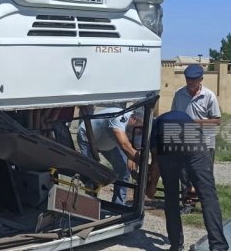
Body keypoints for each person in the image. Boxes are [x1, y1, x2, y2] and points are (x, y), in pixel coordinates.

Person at [147, 110, 228, 251]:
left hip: (167, 137)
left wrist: (152, 186)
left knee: (171, 199)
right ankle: (218, 246)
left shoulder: (154, 125)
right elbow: (187, 158)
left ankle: (176, 246)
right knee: (208, 197)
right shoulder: (182, 117)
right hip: (192, 136)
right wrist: (192, 184)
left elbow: (156, 162)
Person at [171, 64, 221, 212]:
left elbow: (217, 120)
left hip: (205, 141)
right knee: (184, 172)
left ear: (201, 79)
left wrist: (195, 122)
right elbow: (173, 115)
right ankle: (188, 204)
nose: (190, 82)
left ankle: (207, 204)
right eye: (188, 79)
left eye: (194, 79)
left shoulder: (209, 96)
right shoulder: (179, 94)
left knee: (204, 174)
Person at [77, 107, 143, 205]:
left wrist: (135, 173)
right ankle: (89, 203)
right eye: (139, 130)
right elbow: (125, 146)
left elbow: (132, 153)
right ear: (133, 120)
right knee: (90, 172)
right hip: (87, 137)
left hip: (108, 143)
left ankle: (118, 205)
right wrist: (144, 164)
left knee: (123, 170)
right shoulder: (119, 117)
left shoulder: (137, 127)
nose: (139, 133)